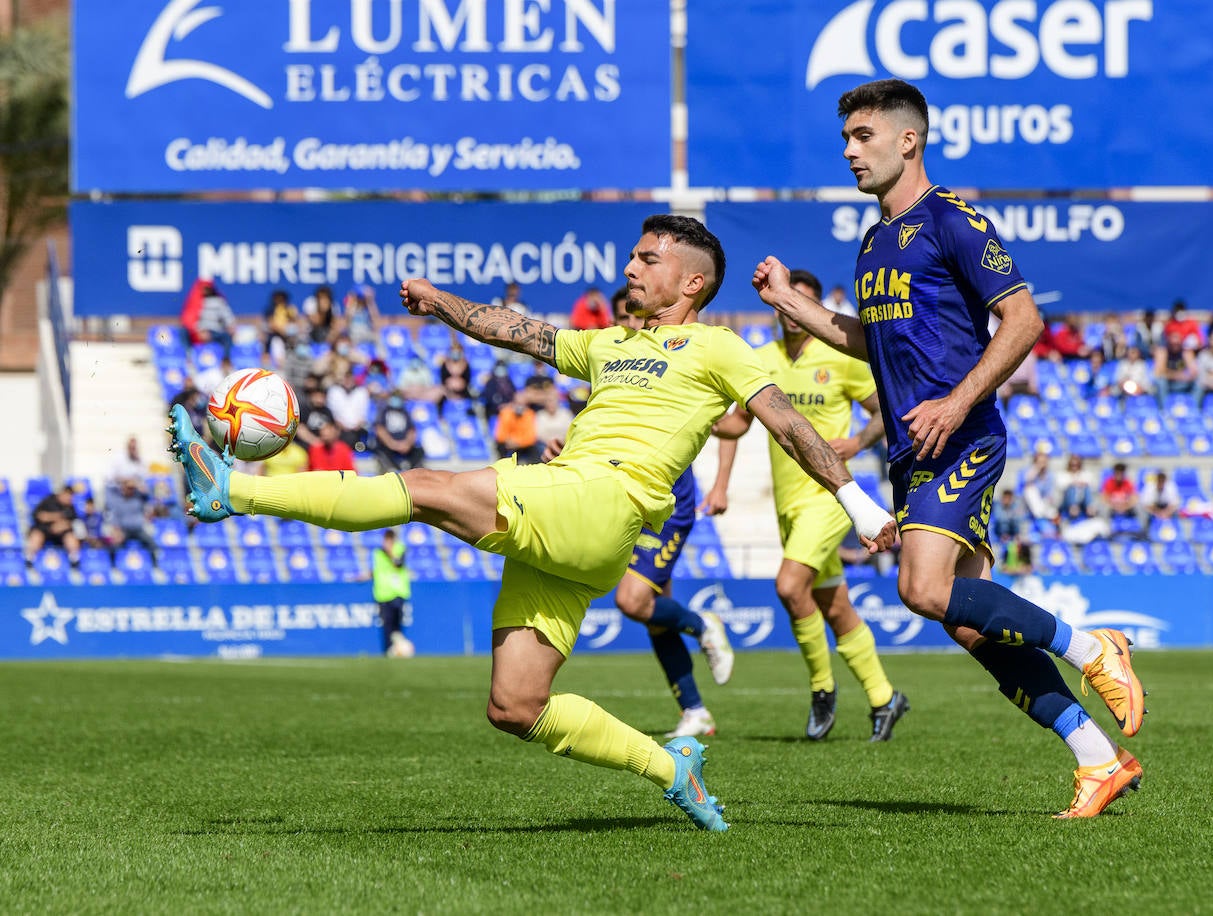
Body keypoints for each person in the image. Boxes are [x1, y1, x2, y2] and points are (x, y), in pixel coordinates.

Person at [166, 213, 898, 833]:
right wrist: (437, 300)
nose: (631, 267)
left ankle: (232, 492)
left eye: (649, 258)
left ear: (692, 282)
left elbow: (787, 426)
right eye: (635, 255)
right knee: (515, 705)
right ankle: (670, 766)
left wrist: (859, 503)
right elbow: (515, 330)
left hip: (603, 501)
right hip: (577, 521)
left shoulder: (720, 348)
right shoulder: (611, 344)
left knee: (424, 487)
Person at [753, 78, 1145, 818]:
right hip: (910, 452)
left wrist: (959, 399)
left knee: (921, 591)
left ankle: (1093, 647)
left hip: (961, 436)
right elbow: (871, 341)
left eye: (862, 137)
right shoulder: (874, 242)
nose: (848, 152)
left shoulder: (953, 219)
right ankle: (1100, 760)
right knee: (968, 621)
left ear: (909, 140)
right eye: (845, 140)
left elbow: (1024, 320)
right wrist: (792, 302)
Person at [709, 268, 908, 741]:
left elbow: (884, 407)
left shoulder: (838, 357)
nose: (793, 312)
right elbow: (738, 424)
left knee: (789, 585)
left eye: (804, 303)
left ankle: (822, 691)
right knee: (833, 605)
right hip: (788, 502)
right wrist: (713, 456)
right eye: (786, 301)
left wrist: (858, 442)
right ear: (776, 306)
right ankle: (884, 697)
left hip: (827, 498)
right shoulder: (760, 360)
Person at [542, 290, 734, 740]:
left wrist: (723, 480)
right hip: (622, 495)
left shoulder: (681, 357)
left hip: (667, 501)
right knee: (649, 609)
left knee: (632, 601)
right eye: (625, 318)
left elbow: (732, 422)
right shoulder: (613, 360)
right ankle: (695, 710)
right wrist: (566, 448)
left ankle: (705, 624)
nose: (633, 325)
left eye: (639, 316)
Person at [371, 529, 415, 658]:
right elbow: (377, 570)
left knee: (397, 623)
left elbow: (398, 564)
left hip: (397, 592)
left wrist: (390, 552)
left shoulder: (400, 549)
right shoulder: (378, 553)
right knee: (386, 624)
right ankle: (389, 651)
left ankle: (398, 649)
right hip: (382, 593)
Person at [25, 485, 81, 570]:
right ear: (62, 493)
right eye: (68, 496)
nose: (70, 499)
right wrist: (56, 517)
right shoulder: (48, 501)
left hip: (61, 534)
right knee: (36, 536)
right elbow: (38, 515)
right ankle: (29, 560)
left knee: (71, 538)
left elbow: (73, 521)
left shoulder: (70, 507)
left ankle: (74, 560)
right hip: (44, 530)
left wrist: (62, 525)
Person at [372, 392, 425, 472]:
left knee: (419, 450)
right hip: (389, 444)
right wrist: (392, 444)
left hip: (405, 444)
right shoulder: (383, 411)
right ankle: (393, 470)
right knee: (381, 451)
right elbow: (379, 429)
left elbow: (412, 430)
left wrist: (407, 444)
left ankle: (412, 470)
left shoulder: (404, 412)